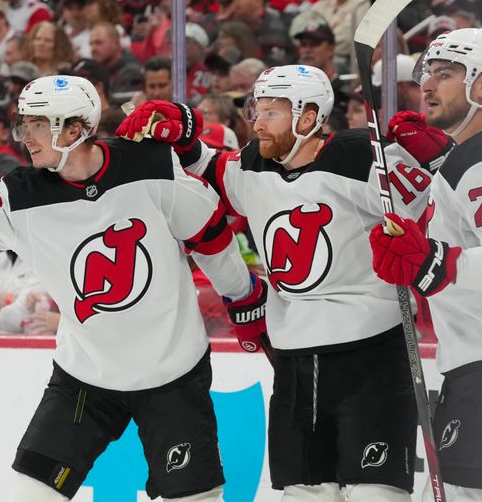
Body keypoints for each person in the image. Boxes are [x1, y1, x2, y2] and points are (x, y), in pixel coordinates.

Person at [0, 75, 265, 501]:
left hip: (172, 371)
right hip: (86, 377)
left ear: (75, 130)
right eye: (24, 124)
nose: (25, 137)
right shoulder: (21, 194)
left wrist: (242, 296)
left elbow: (210, 234)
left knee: (194, 498)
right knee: (30, 492)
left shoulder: (150, 165)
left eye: (37, 125)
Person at [118, 64, 451, 501]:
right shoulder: (254, 164)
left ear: (308, 117)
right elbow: (207, 166)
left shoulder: (362, 157)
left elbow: (439, 209)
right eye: (257, 109)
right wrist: (181, 130)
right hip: (295, 364)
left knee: (377, 494)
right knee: (303, 495)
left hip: (372, 358)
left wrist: (438, 159)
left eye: (270, 111)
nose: (256, 121)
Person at [368, 28, 482, 502]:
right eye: (426, 74)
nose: (427, 86)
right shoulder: (461, 160)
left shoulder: (475, 162)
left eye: (446, 74)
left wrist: (436, 263)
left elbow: (444, 261)